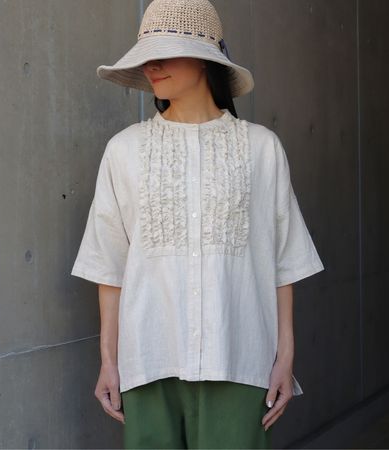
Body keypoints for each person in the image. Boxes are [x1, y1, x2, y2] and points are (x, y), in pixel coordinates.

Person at [71, 0, 325, 448]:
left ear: (207, 58)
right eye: (146, 55)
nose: (152, 65)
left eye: (166, 52)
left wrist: (285, 357)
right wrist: (109, 360)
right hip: (148, 360)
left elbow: (283, 260)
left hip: (239, 358)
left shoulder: (261, 148)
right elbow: (109, 265)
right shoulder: (124, 151)